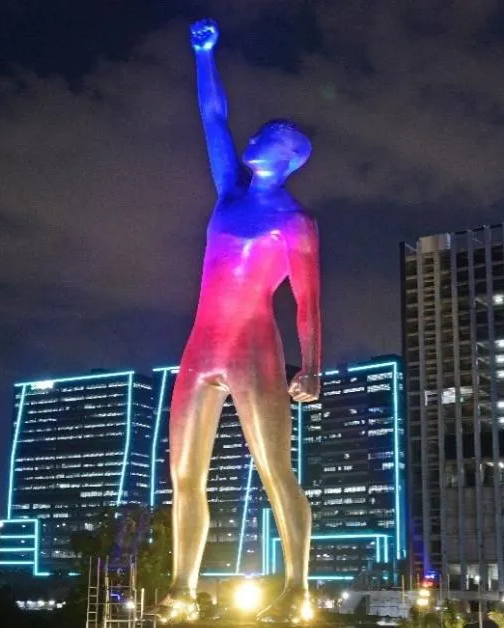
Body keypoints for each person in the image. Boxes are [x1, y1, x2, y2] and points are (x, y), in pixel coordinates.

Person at [155, 17, 321, 624]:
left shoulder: (296, 222)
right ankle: (183, 587)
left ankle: (298, 587)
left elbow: (307, 300)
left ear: (289, 156)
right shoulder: (228, 193)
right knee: (183, 475)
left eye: (271, 133)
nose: (256, 135)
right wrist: (205, 55)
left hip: (255, 348)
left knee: (275, 469)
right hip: (202, 344)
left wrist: (314, 369)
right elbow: (213, 118)